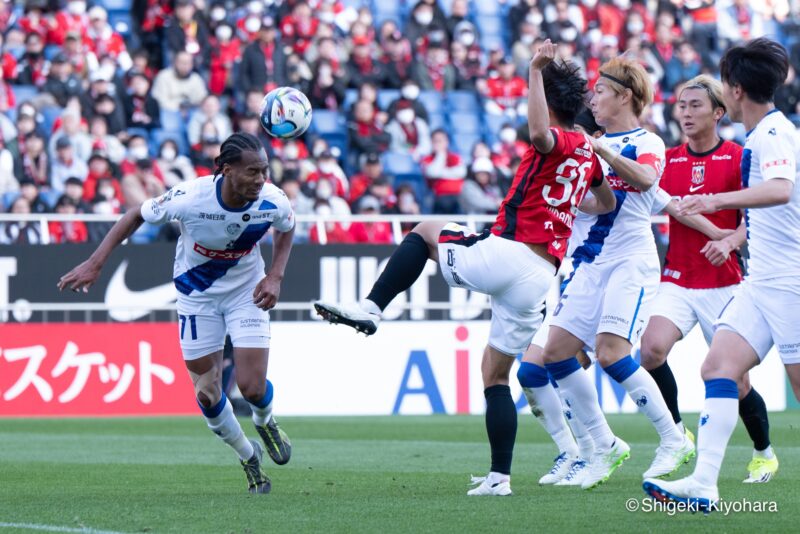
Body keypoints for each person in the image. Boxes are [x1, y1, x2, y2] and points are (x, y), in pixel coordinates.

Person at [314, 41, 616, 497]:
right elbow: (606, 202)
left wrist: (536, 69)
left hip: (510, 252)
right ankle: (499, 478)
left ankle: (372, 309)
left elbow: (539, 135)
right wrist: (573, 203)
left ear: (548, 102)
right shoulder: (589, 153)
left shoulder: (560, 138)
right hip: (540, 276)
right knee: (495, 374)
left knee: (426, 229)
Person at [59, 133, 296, 493]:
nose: (261, 179)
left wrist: (275, 275)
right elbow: (135, 214)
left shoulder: (271, 199)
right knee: (207, 393)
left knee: (251, 386)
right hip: (196, 295)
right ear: (227, 170)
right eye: (252, 171)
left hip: (246, 292)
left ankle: (266, 421)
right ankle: (248, 456)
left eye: (264, 170)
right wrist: (95, 264)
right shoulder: (190, 198)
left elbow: (287, 226)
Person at [644, 38, 800, 511]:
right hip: (760, 283)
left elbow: (779, 191)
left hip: (790, 284)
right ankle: (704, 483)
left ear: (733, 92)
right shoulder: (763, 134)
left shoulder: (773, 134)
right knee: (717, 368)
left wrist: (715, 202)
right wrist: (735, 234)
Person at [540, 55, 695, 491]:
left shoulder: (647, 141)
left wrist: (600, 148)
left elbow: (646, 179)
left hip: (630, 260)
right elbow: (592, 201)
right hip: (590, 261)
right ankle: (604, 445)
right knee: (555, 353)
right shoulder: (589, 143)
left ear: (624, 95)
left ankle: (674, 437)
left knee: (610, 353)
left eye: (601, 91)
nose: (593, 98)